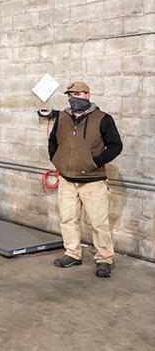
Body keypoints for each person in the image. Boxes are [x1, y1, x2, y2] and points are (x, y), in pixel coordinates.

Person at [48, 81, 122, 278]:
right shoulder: (62, 117)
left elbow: (116, 145)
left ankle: (104, 259)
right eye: (71, 95)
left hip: (93, 182)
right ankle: (72, 253)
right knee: (68, 220)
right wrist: (57, 161)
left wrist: (94, 162)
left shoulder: (103, 119)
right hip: (67, 181)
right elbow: (53, 140)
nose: (74, 98)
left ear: (88, 95)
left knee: (99, 223)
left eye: (78, 94)